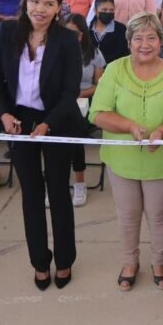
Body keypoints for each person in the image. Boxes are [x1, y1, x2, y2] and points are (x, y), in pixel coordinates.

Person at [0, 0, 83, 290]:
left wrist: (48, 124)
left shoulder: (67, 40)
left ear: (58, 8)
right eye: (35, 1)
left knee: (58, 191)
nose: (40, 9)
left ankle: (65, 260)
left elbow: (70, 91)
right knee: (30, 193)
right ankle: (40, 262)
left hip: (56, 120)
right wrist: (3, 114)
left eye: (48, 3)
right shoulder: (7, 32)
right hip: (19, 119)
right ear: (25, 1)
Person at [90, 12, 163, 292]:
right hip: (121, 160)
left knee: (159, 214)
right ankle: (129, 262)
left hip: (160, 158)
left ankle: (159, 262)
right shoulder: (114, 70)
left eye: (151, 38)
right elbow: (97, 113)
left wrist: (162, 132)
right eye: (138, 38)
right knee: (128, 214)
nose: (144, 44)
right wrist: (130, 127)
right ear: (129, 42)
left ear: (160, 41)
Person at [62, 14, 104, 207]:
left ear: (83, 35)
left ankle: (79, 183)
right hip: (61, 100)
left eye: (76, 34)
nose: (72, 37)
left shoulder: (93, 54)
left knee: (75, 132)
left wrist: (78, 94)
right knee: (56, 136)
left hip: (84, 99)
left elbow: (99, 86)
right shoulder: (55, 51)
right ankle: (57, 183)